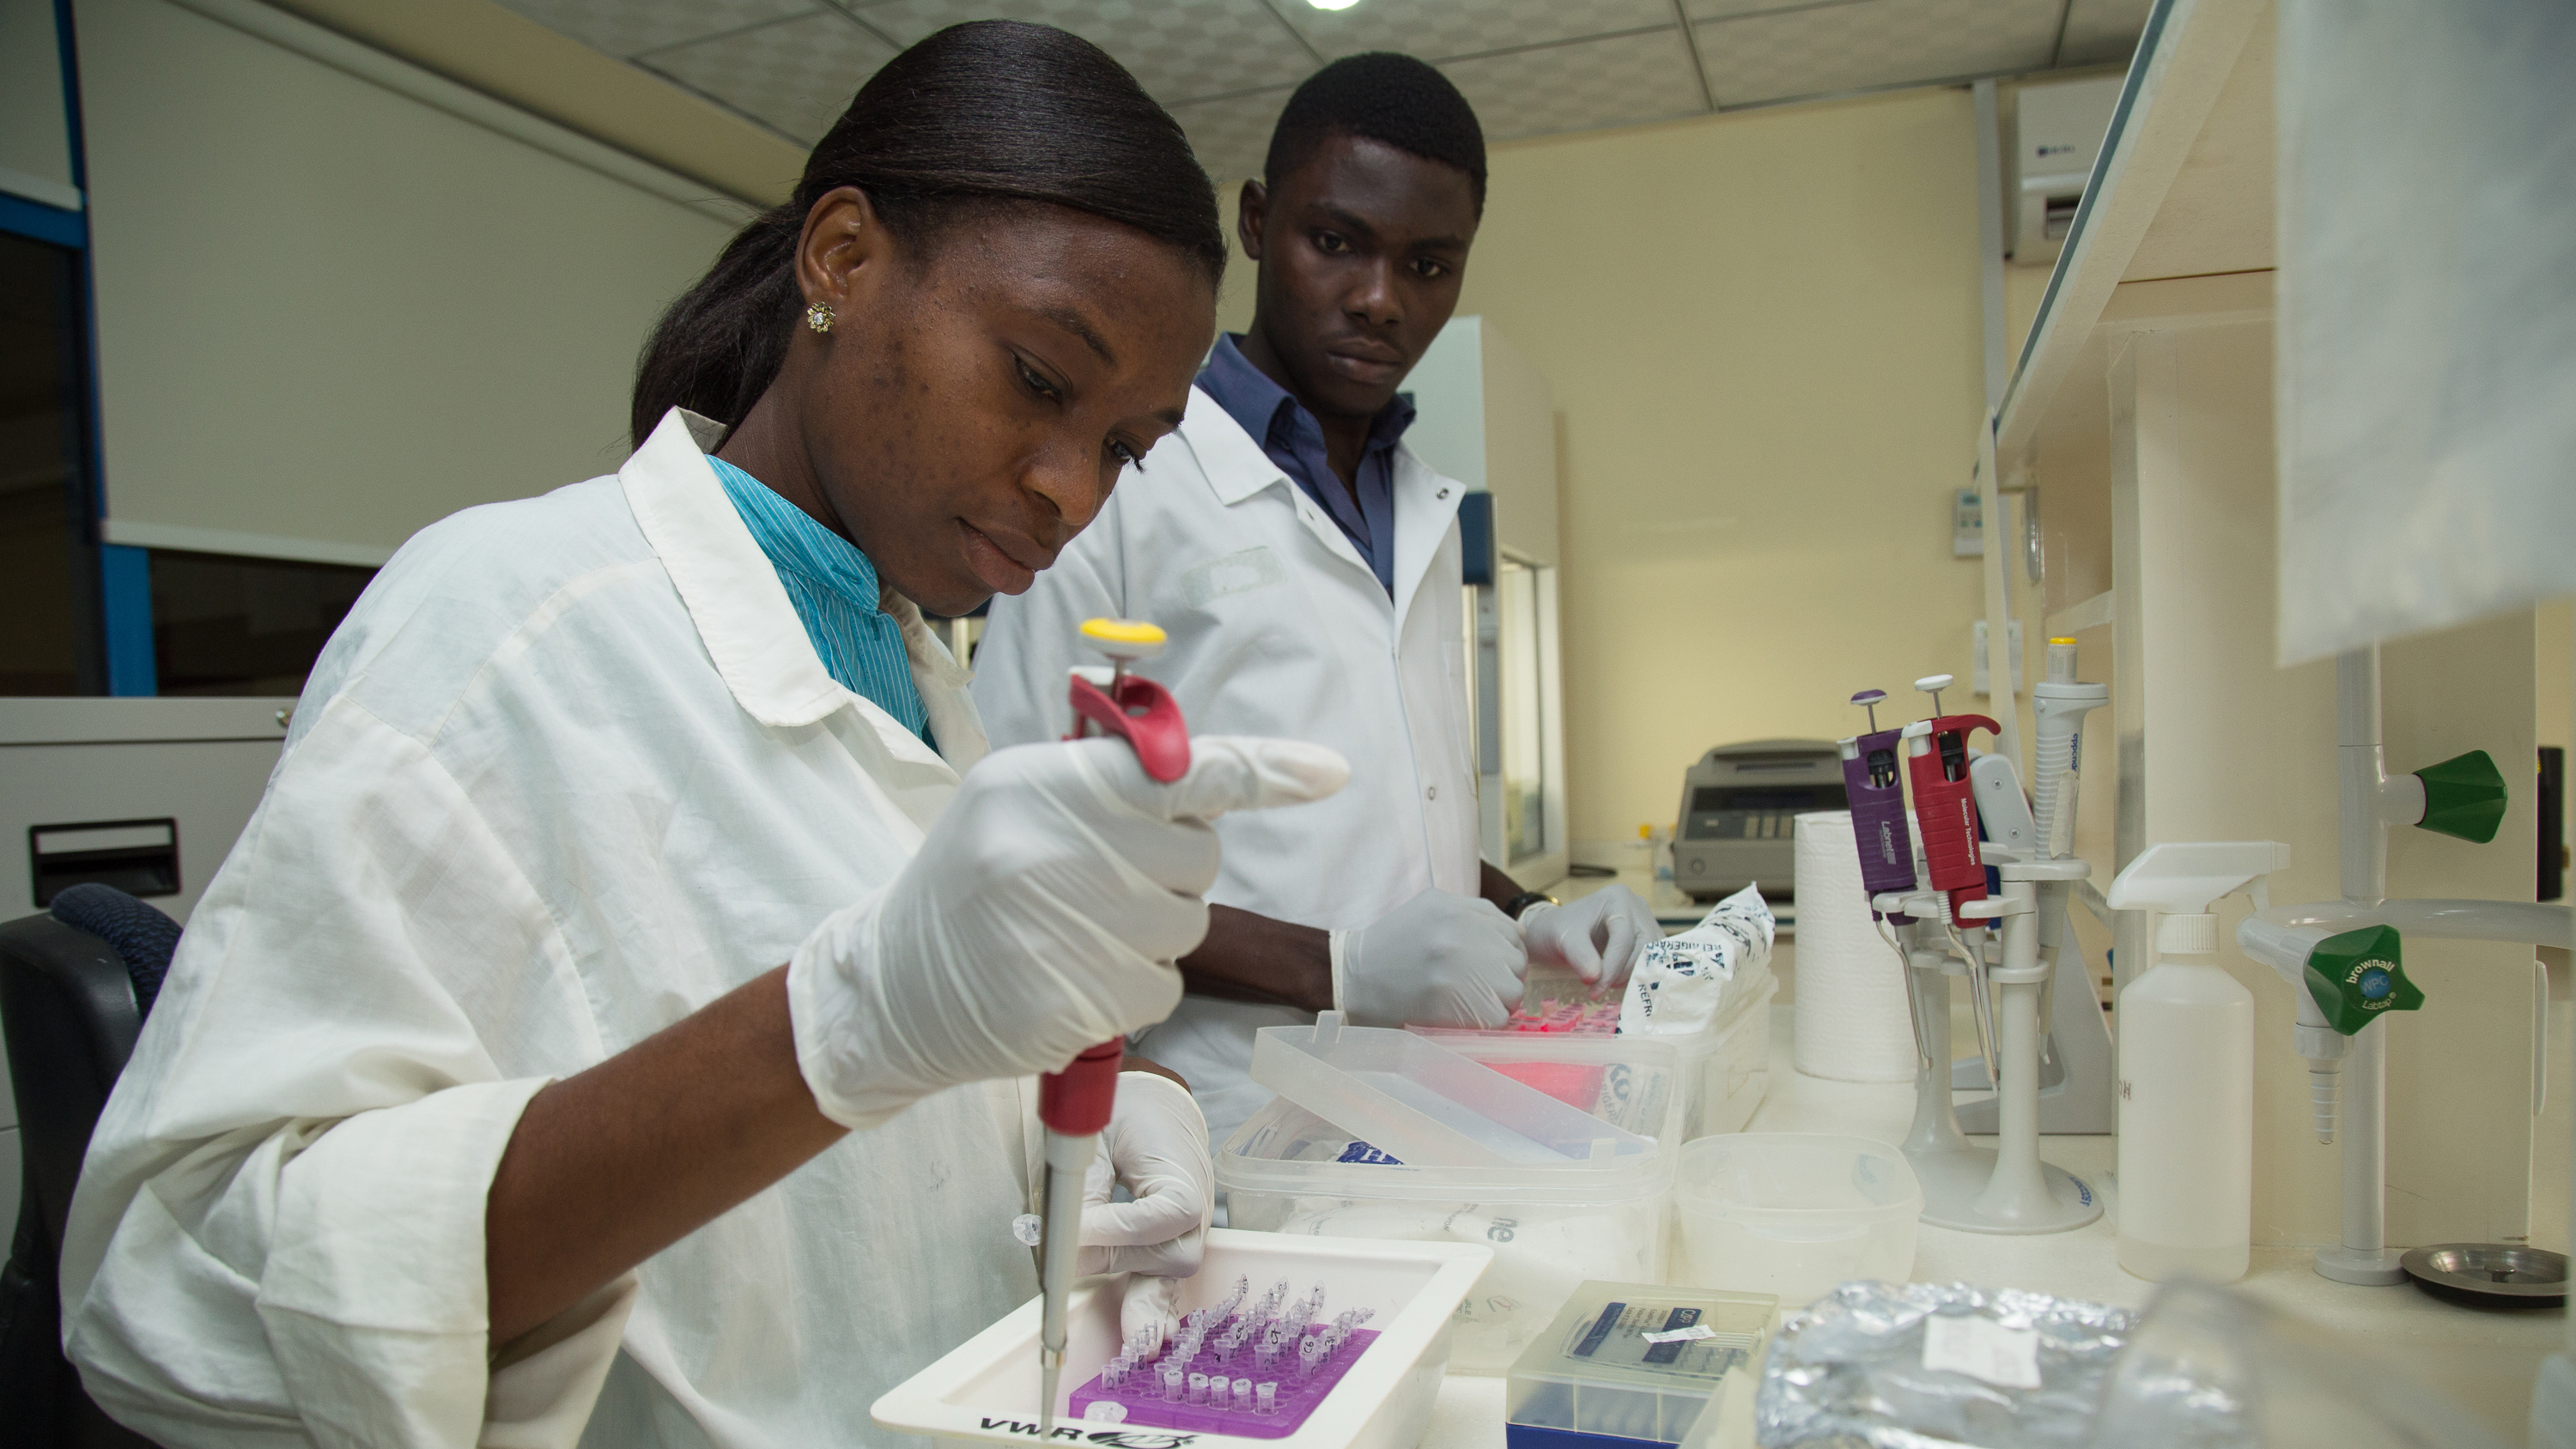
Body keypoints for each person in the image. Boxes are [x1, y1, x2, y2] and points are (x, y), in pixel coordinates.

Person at [57, 22, 1345, 1447]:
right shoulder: (518, 619)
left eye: (1124, 446)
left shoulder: (920, 677)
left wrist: (1120, 1099)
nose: (1068, 490)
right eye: (1041, 381)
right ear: (842, 260)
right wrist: (829, 1028)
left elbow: (888, 1141)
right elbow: (171, 1289)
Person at [973, 54, 1662, 1148]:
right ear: (1256, 221)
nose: (1380, 298)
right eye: (1335, 242)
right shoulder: (1128, 481)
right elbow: (1026, 851)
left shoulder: (1422, 511)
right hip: (1225, 1113)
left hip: (1426, 1100)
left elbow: (1386, 825)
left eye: (1429, 264)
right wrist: (1335, 967)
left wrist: (1529, 916)